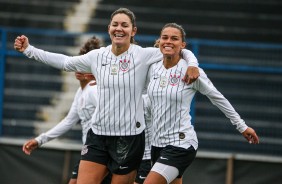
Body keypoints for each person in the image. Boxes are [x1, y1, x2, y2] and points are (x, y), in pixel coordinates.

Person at [14, 8, 200, 184]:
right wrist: (29, 50)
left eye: (125, 25)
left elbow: (177, 48)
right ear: (109, 28)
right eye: (115, 24)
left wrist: (192, 63)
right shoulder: (96, 56)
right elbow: (65, 62)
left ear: (133, 31)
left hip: (129, 139)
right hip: (98, 136)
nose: (119, 28)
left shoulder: (144, 55)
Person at [143, 23, 260, 184]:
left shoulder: (191, 71)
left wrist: (241, 126)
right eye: (165, 37)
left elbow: (217, 97)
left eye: (174, 38)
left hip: (181, 144)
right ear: (159, 41)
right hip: (156, 145)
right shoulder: (153, 68)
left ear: (182, 45)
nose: (168, 41)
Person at [22, 36, 111, 184]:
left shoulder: (94, 91)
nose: (79, 68)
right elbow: (69, 121)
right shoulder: (80, 92)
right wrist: (40, 140)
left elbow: (110, 112)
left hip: (102, 152)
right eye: (79, 62)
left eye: (85, 65)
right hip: (89, 151)